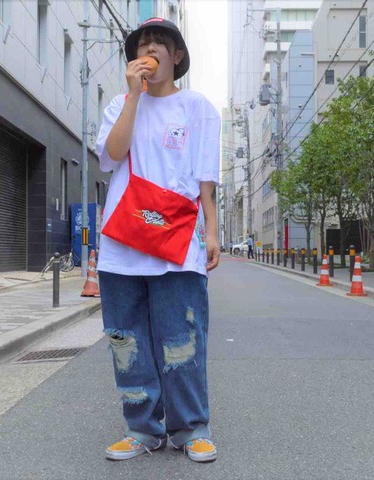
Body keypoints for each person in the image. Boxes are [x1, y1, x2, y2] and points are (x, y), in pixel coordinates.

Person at [95, 18, 220, 463]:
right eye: (142, 44)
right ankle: (142, 428)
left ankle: (191, 428)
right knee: (126, 340)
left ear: (177, 55)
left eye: (158, 43)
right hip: (121, 245)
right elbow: (111, 156)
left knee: (182, 338)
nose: (148, 50)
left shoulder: (197, 107)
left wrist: (212, 231)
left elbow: (206, 178)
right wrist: (134, 95)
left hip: (178, 241)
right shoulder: (120, 103)